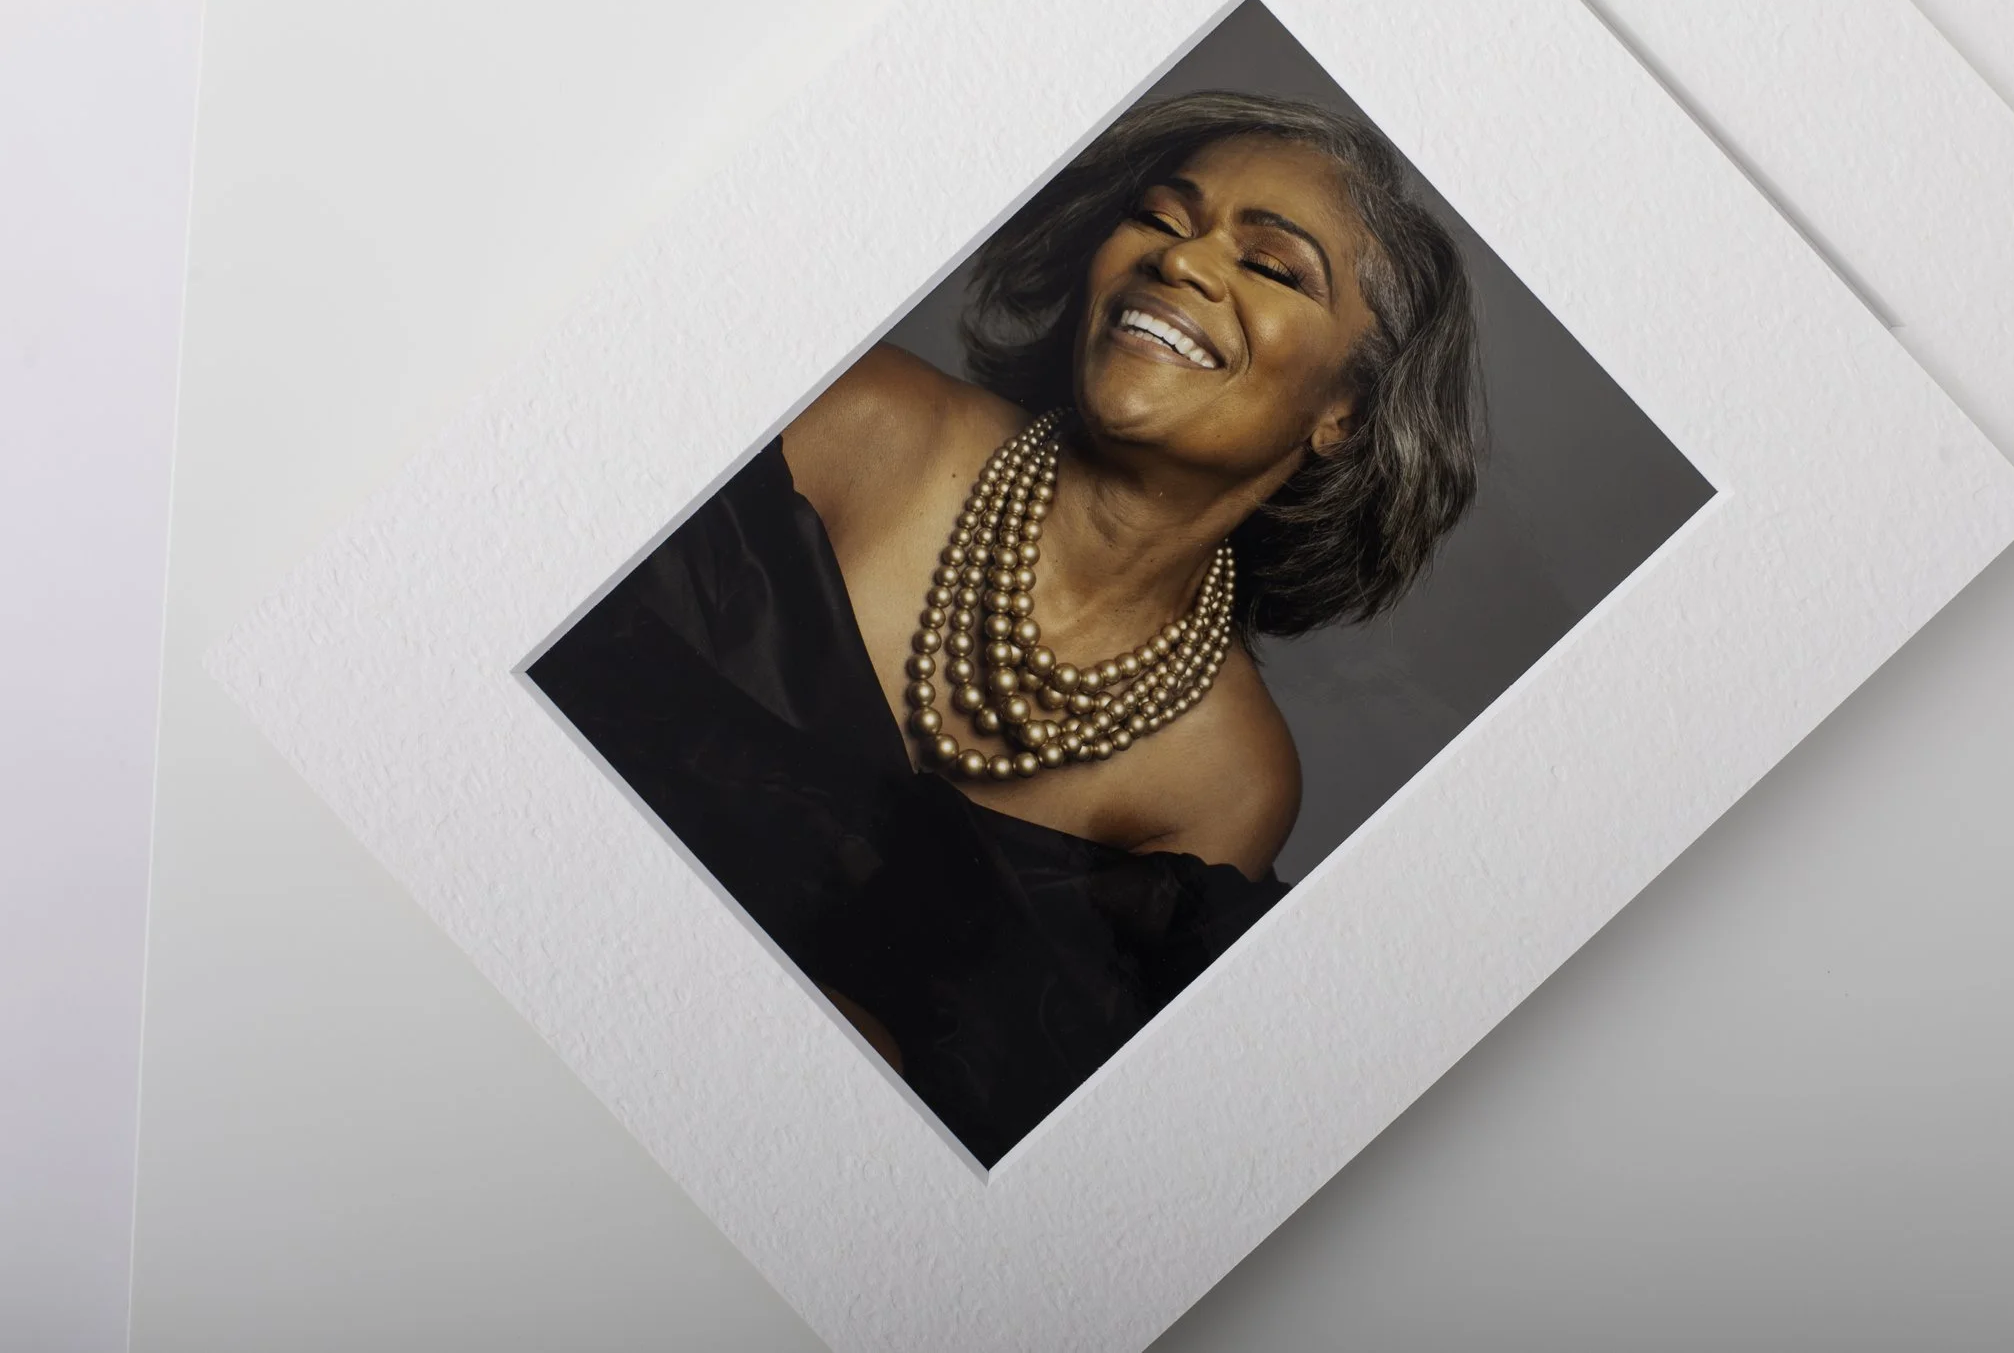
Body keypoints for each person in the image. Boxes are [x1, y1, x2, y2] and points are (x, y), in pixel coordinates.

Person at [532, 91, 1483, 1165]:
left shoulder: (1232, 780)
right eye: (1162, 219)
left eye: (1271, 265)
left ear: (1344, 411)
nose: (1182, 262)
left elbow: (993, 1126)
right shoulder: (848, 419)